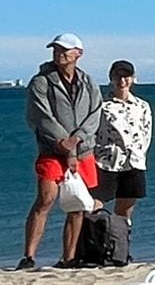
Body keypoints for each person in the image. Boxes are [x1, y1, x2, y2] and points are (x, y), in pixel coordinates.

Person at [20, 33, 102, 269]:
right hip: (52, 150)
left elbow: (95, 114)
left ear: (79, 53)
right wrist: (64, 143)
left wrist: (76, 140)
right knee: (46, 198)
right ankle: (29, 256)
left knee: (77, 203)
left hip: (83, 150)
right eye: (56, 50)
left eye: (64, 50)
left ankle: (69, 257)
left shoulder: (88, 82)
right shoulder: (41, 81)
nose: (59, 54)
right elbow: (41, 116)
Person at [92, 60, 154, 225]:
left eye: (126, 76)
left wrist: (140, 154)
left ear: (133, 78)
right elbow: (92, 132)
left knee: (125, 212)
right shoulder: (102, 106)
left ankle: (120, 246)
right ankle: (94, 242)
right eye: (118, 76)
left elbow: (146, 133)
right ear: (111, 78)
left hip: (133, 162)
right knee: (94, 207)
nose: (122, 80)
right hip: (106, 163)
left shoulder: (142, 106)